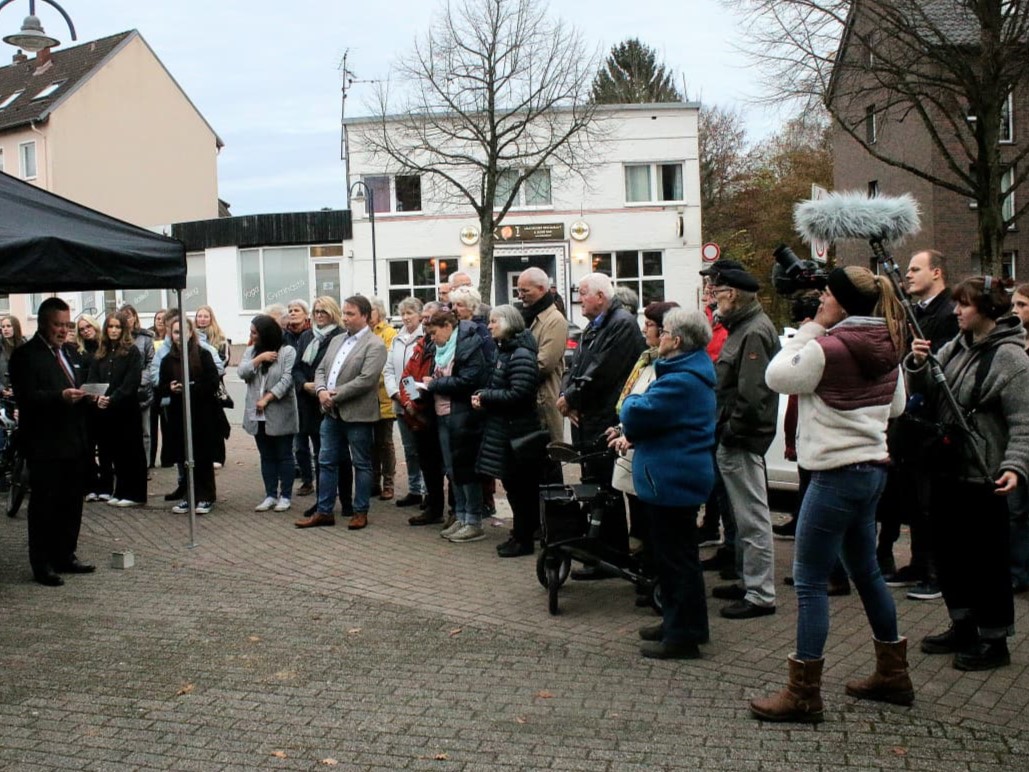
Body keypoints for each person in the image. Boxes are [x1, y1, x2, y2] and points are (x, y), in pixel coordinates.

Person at [752, 266, 911, 723]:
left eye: (826, 295)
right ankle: (893, 674)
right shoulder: (890, 342)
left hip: (834, 476)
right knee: (866, 572)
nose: (820, 299)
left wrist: (810, 331)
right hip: (872, 470)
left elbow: (777, 376)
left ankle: (803, 694)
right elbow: (896, 406)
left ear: (841, 302)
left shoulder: (828, 347)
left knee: (809, 581)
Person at [907, 276, 1029, 671]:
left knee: (986, 563)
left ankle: (994, 640)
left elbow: (1024, 422)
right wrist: (920, 364)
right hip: (948, 469)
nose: (956, 311)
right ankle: (962, 624)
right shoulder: (955, 347)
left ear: (989, 310)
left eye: (965, 305)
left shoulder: (1012, 359)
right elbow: (930, 393)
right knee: (950, 555)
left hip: (984, 476)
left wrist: (1014, 467)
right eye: (957, 304)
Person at [616, 308, 716, 660]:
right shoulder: (684, 372)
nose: (658, 336)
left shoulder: (681, 380)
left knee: (676, 560)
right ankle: (681, 624)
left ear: (677, 340)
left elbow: (635, 414)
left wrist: (630, 400)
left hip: (673, 479)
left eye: (664, 331)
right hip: (672, 476)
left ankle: (682, 636)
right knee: (675, 557)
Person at [877, 249, 958, 602]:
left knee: (931, 502)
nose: (907, 275)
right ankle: (918, 563)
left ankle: (937, 572)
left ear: (936, 272)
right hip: (912, 423)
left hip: (935, 421)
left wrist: (925, 358)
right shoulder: (917, 312)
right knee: (911, 497)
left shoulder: (949, 312)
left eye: (915, 269)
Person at [558, 273, 645, 577]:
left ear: (600, 296)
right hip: (588, 417)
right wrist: (565, 395)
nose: (579, 300)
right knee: (596, 486)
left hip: (604, 418)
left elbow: (602, 372)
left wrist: (571, 398)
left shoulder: (620, 324)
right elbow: (575, 366)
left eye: (583, 294)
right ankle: (603, 550)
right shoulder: (593, 327)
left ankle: (613, 555)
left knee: (607, 488)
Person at [707, 266, 781, 619]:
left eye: (716, 291)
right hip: (735, 436)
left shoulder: (753, 332)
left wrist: (732, 432)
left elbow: (752, 396)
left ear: (732, 295)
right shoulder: (743, 328)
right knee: (742, 515)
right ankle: (747, 580)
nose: (713, 297)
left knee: (751, 517)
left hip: (742, 440)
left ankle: (760, 593)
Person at [9, 298, 93, 586]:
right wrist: (60, 397)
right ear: (43, 323)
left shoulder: (69, 351)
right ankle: (41, 563)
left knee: (71, 502)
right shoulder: (25, 356)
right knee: (45, 504)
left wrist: (91, 397)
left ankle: (65, 555)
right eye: (58, 324)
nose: (63, 330)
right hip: (45, 444)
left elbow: (77, 385)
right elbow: (27, 397)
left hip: (74, 442)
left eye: (67, 325)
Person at [607, 301, 679, 598]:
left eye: (649, 324)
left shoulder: (667, 366)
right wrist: (621, 426)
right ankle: (645, 566)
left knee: (653, 517)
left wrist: (632, 433)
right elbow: (632, 398)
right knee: (637, 508)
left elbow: (655, 409)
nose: (644, 329)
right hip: (633, 445)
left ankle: (654, 574)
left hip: (648, 451)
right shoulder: (646, 359)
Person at [298, 296, 387, 531]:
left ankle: (360, 511)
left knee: (361, 464)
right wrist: (320, 391)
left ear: (365, 316)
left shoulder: (374, 344)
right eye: (345, 313)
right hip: (331, 413)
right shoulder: (337, 340)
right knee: (325, 461)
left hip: (358, 415)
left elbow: (366, 380)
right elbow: (321, 369)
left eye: (351, 314)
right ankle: (324, 511)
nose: (345, 318)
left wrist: (333, 394)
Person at [472, 304, 542, 557]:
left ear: (509, 323)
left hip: (518, 432)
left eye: (494, 321)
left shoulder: (520, 354)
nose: (489, 326)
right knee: (514, 487)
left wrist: (486, 397)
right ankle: (519, 535)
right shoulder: (506, 352)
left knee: (521, 489)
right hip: (507, 430)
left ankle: (524, 539)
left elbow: (520, 393)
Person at [422, 308, 489, 542]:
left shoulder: (469, 346)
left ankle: (474, 520)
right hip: (442, 414)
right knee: (452, 470)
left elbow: (470, 380)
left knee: (466, 469)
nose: (432, 338)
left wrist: (436, 384)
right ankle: (460, 515)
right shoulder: (439, 349)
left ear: (448, 327)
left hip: (463, 415)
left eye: (434, 333)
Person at [157, 317, 221, 515]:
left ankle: (206, 495)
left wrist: (191, 388)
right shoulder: (167, 359)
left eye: (183, 332)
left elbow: (213, 383)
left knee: (202, 456)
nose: (179, 336)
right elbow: (160, 387)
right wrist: (170, 387)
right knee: (183, 456)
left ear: (191, 333)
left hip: (201, 413)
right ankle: (188, 495)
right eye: (175, 332)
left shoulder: (203, 355)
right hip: (178, 415)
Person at [239, 314, 298, 512]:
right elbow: (242, 373)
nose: (252, 336)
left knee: (284, 454)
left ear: (266, 333)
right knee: (266, 455)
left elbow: (288, 379)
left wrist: (268, 398)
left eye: (255, 333)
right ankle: (270, 494)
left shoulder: (287, 351)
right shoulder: (251, 352)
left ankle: (286, 495)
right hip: (257, 415)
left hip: (280, 411)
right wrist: (258, 359)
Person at [87, 311, 147, 507]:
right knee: (115, 453)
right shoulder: (100, 353)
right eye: (110, 327)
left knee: (131, 451)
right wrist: (97, 398)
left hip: (126, 409)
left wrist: (112, 399)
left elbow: (131, 382)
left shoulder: (132, 352)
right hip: (106, 410)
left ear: (124, 329)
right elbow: (93, 379)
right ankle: (120, 490)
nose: (113, 331)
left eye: (117, 327)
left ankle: (135, 494)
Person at [292, 297, 347, 511]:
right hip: (307, 400)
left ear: (333, 312)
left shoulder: (340, 336)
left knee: (334, 455)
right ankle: (323, 500)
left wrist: (320, 387)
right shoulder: (307, 336)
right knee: (318, 453)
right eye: (316, 311)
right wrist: (304, 384)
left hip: (329, 401)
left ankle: (342, 499)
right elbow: (296, 367)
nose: (319, 315)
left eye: (323, 311)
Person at [398, 302, 448, 526]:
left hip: (437, 413)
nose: (426, 322)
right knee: (427, 463)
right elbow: (407, 375)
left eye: (430, 318)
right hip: (418, 413)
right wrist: (410, 401)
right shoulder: (421, 344)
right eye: (425, 318)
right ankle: (433, 508)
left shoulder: (445, 345)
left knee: (445, 465)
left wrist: (416, 404)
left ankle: (451, 510)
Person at [384, 296, 426, 507]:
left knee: (423, 448)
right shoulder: (397, 339)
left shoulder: (424, 337)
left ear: (420, 315)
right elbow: (389, 370)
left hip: (417, 401)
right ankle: (414, 488)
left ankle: (427, 490)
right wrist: (396, 393)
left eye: (410, 313)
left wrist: (410, 397)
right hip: (400, 402)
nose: (406, 317)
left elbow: (416, 371)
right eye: (403, 313)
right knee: (409, 449)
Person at [517, 267, 567, 444]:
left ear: (541, 289)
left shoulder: (555, 320)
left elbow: (545, 364)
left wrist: (516, 377)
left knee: (549, 457)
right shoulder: (527, 317)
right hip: (529, 400)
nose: (520, 295)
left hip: (543, 401)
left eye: (525, 290)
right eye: (518, 290)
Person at [1009, 284, 1029, 595]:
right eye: (1013, 303)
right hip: (1017, 441)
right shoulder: (1014, 344)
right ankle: (1017, 571)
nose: (1016, 310)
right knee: (1015, 511)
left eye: (1023, 304)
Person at [284, 299, 315, 494]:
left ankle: (324, 479)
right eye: (290, 310)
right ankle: (307, 479)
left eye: (296, 310)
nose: (292, 313)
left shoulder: (312, 335)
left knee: (319, 441)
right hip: (291, 394)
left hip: (310, 392)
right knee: (299, 443)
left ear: (306, 315)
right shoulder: (284, 336)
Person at [120, 305, 156, 474]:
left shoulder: (145, 338)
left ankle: (145, 466)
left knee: (145, 431)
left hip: (142, 390)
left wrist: (140, 381)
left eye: (129, 316)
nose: (127, 320)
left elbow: (151, 363)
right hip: (122, 390)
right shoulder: (117, 337)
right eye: (123, 317)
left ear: (135, 317)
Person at [369, 298, 398, 501]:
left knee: (385, 442)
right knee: (369, 442)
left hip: (383, 396)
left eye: (369, 311)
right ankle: (373, 482)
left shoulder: (388, 333)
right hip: (365, 398)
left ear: (378, 312)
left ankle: (388, 483)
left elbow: (386, 364)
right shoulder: (361, 333)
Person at [148, 309, 168, 467]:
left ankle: (167, 458)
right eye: (157, 318)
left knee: (167, 424)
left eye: (163, 318)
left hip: (165, 385)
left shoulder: (170, 338)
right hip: (151, 387)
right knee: (151, 424)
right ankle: (151, 458)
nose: (160, 321)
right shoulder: (149, 337)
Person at [0, 315, 27, 394]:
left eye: (8, 326)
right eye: (3, 326)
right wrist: (2, 389)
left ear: (15, 327)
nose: (5, 329)